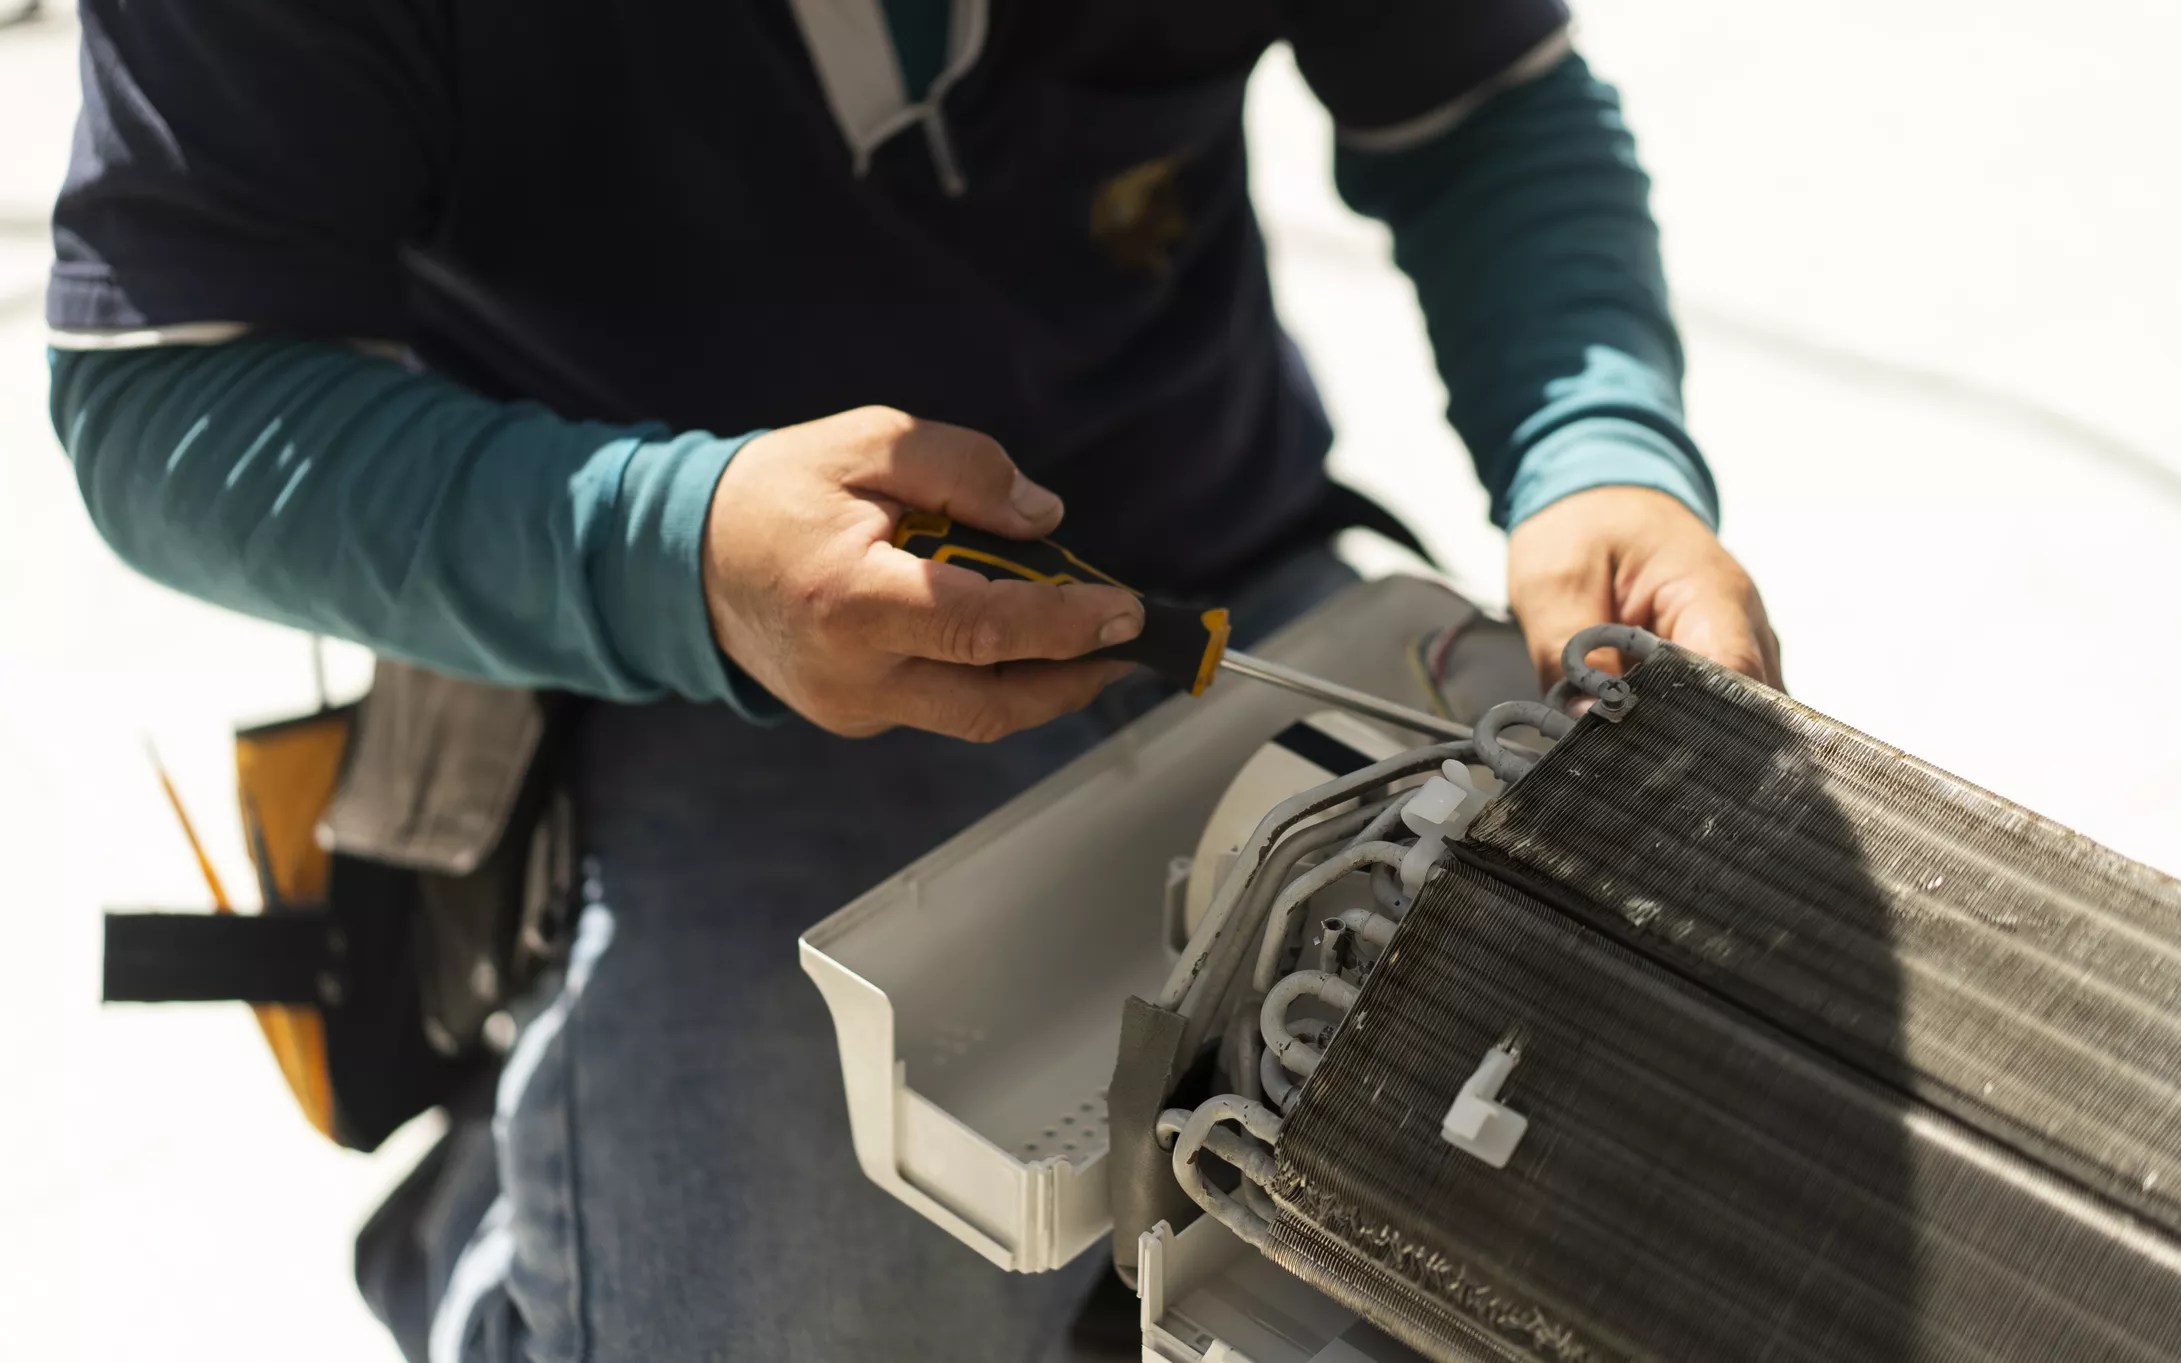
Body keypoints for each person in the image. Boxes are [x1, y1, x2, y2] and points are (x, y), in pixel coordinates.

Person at [46, 0, 1780, 1358]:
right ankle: (505, 1221)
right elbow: (167, 390)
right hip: (691, 680)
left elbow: (1480, 106)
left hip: (1221, 573)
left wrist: (1598, 457)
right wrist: (680, 549)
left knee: (1652, 1207)